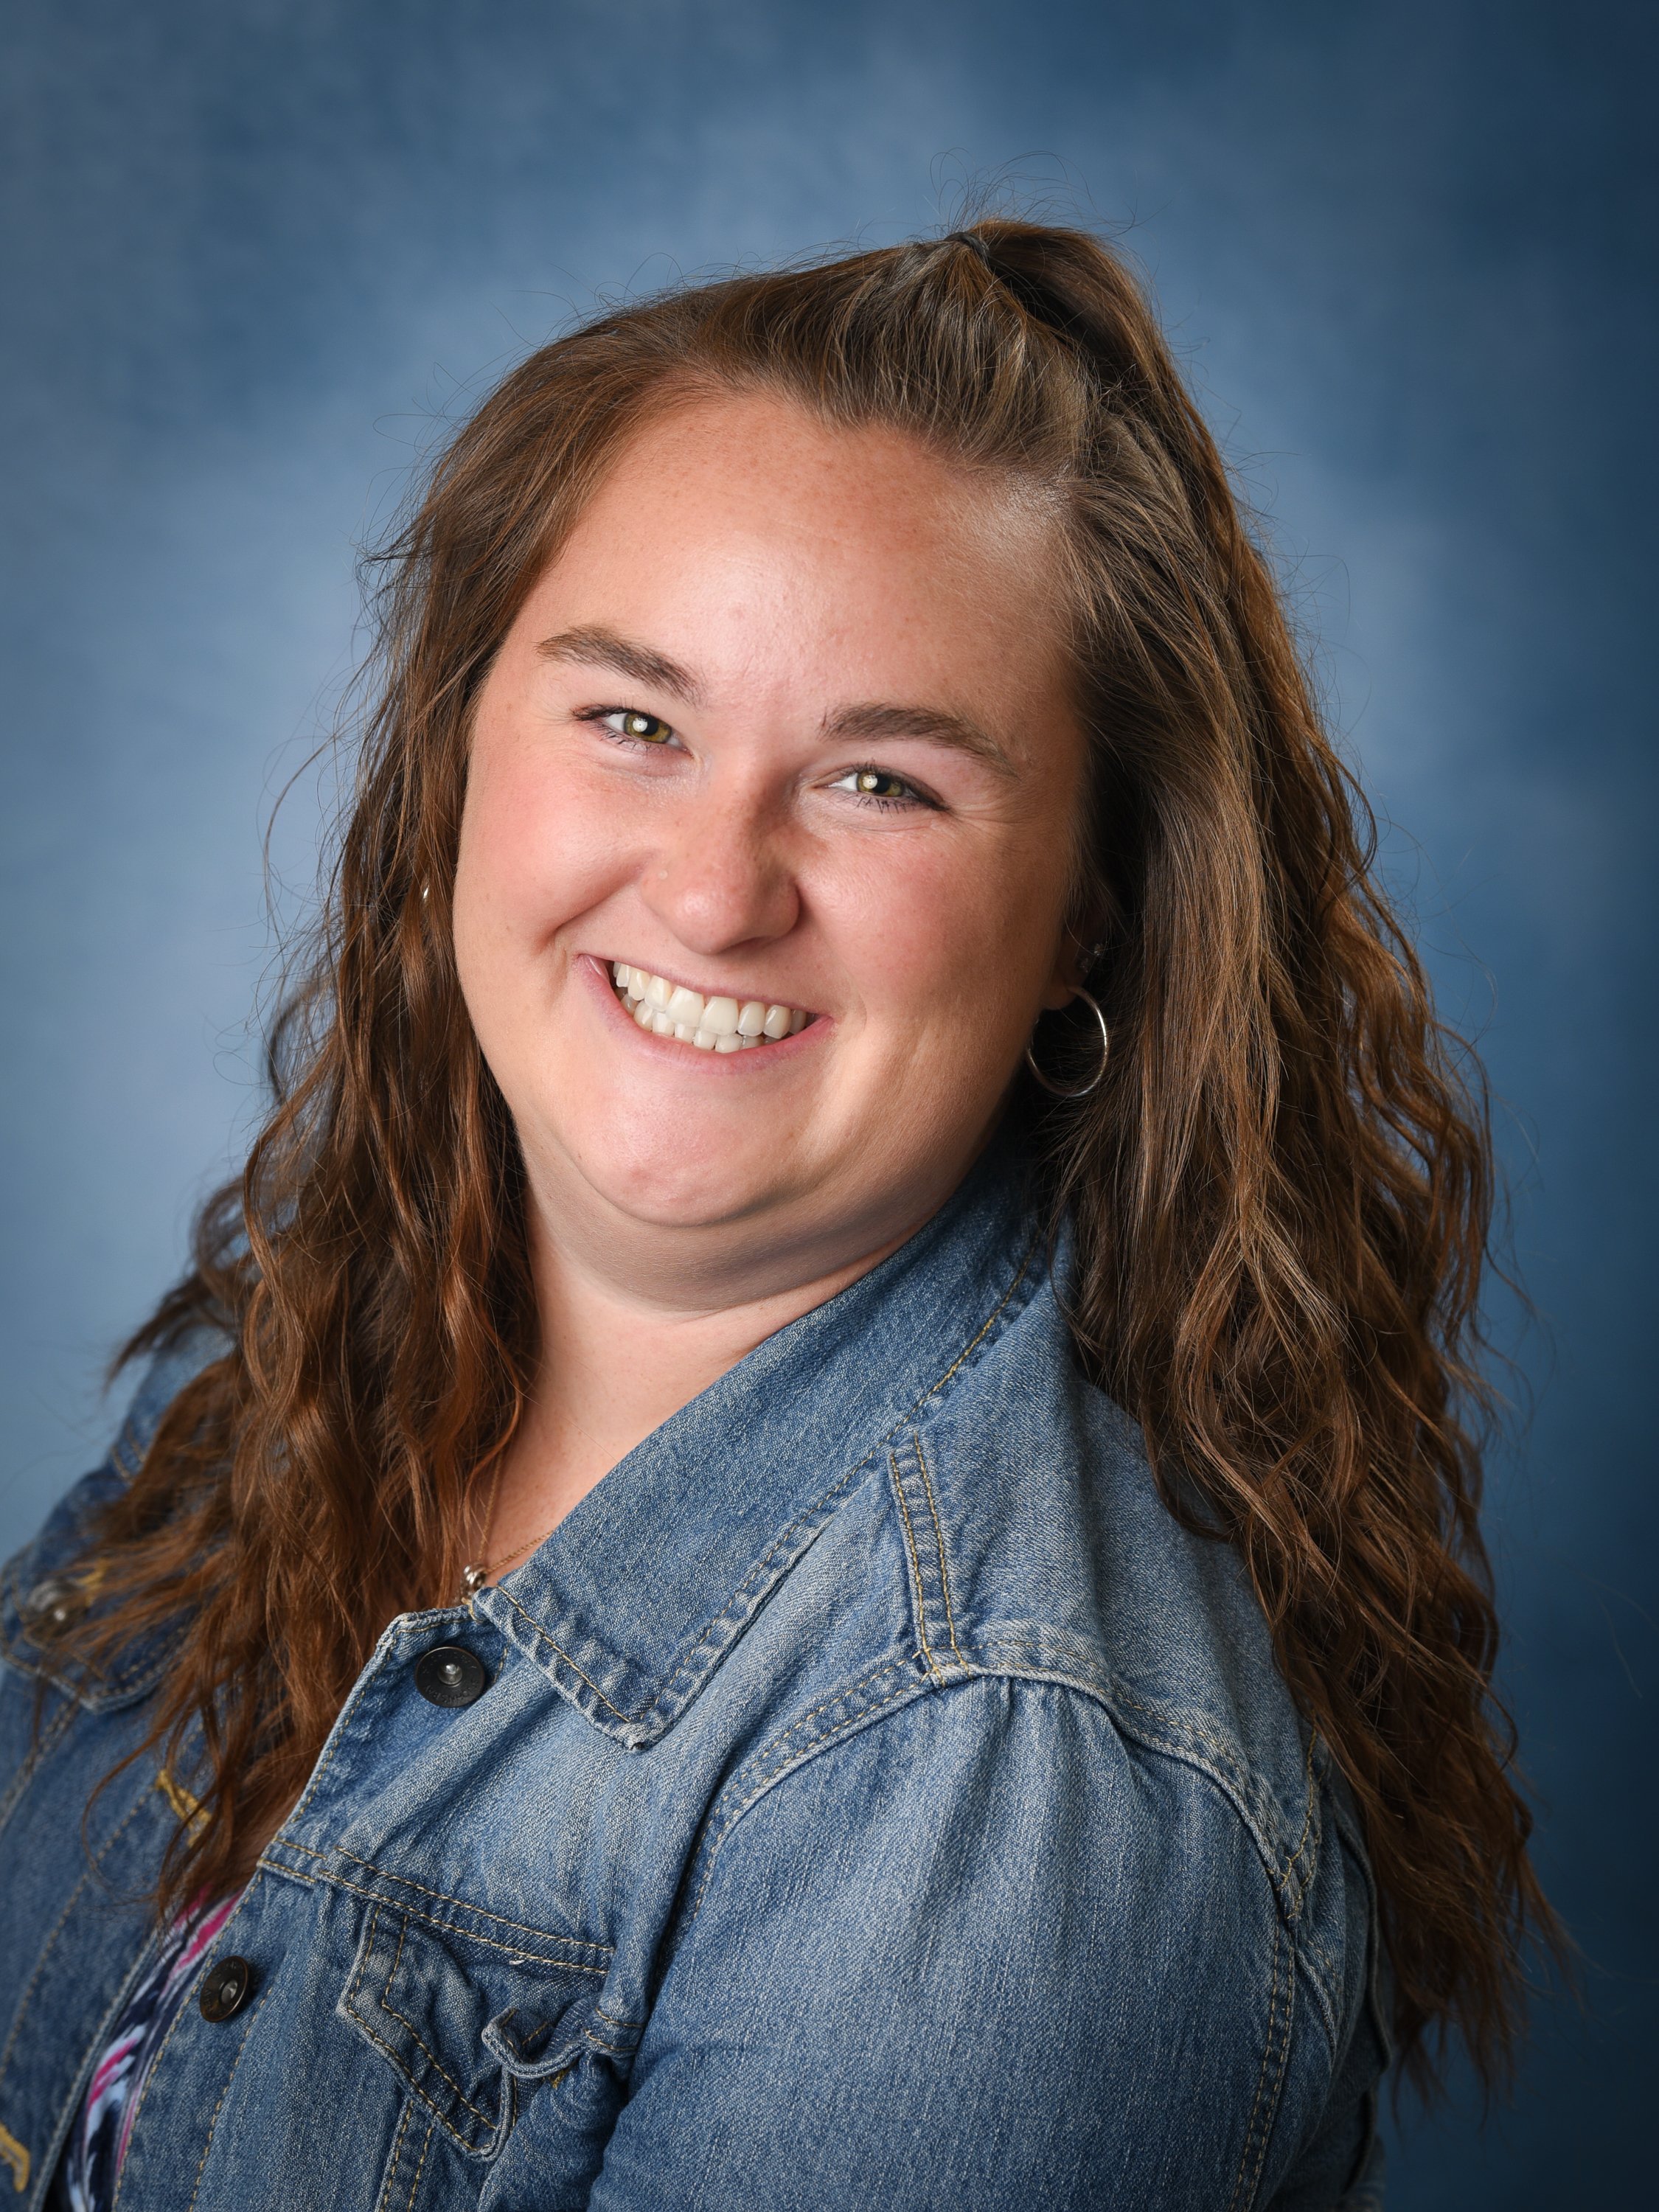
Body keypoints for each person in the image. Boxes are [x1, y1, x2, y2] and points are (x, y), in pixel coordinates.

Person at [0, 220, 1554, 2211]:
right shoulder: (325, 1319)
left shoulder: (998, 1793)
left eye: (882, 784)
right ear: (460, 744)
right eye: (635, 722)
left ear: (1085, 920)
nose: (716, 892)